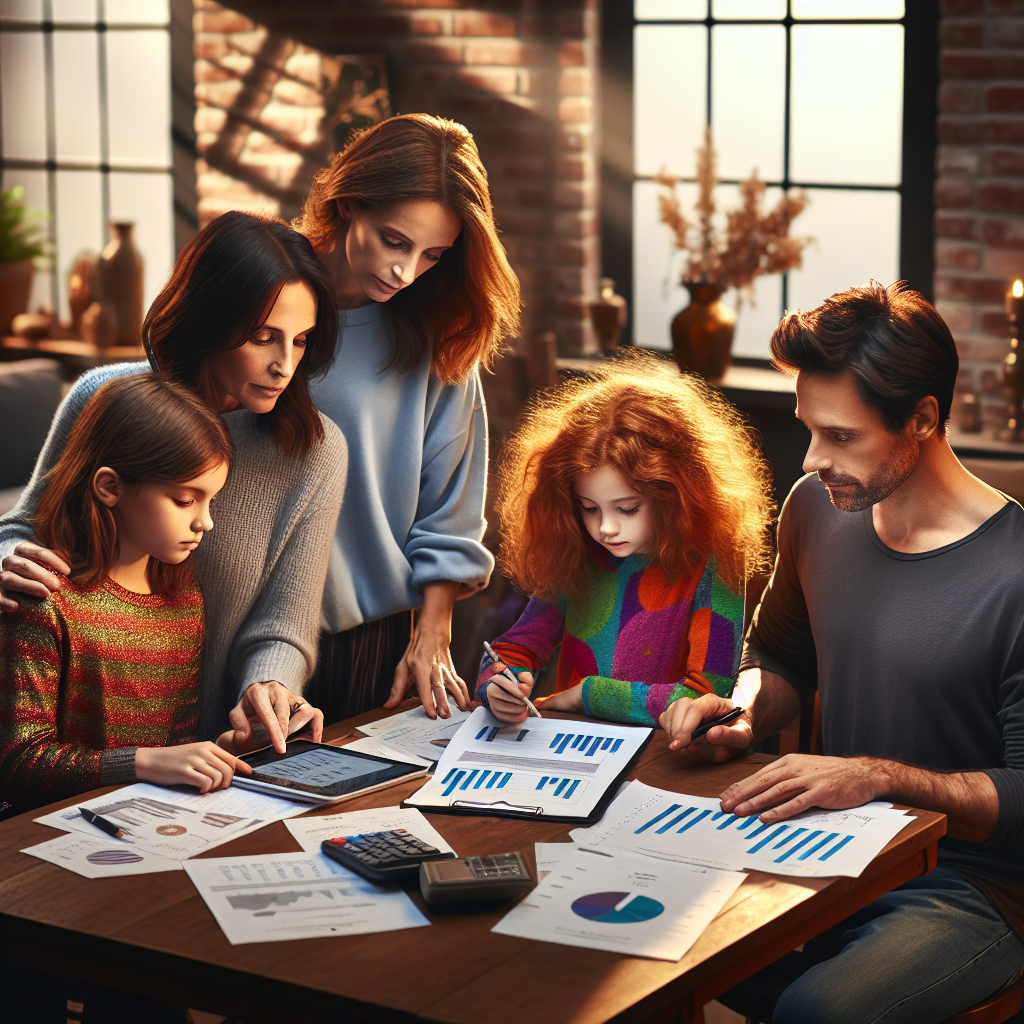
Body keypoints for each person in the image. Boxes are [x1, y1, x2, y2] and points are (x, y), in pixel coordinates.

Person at [663, 282, 1024, 1024]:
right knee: (629, 939)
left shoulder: (1015, 574)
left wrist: (877, 777)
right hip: (825, 852)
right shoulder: (815, 511)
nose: (812, 458)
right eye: (809, 428)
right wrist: (745, 709)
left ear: (923, 419)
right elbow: (781, 655)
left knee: (818, 1013)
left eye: (842, 436)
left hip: (973, 890)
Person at [0, 212, 348, 754]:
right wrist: (5, 556)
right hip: (71, 756)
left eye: (300, 340)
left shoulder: (316, 449)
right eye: (262, 337)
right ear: (210, 321)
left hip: (218, 758)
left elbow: (286, 617)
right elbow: (26, 526)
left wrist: (272, 684)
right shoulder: (103, 396)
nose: (284, 365)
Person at [295, 112, 521, 723]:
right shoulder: (269, 296)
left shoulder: (437, 334)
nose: (405, 271)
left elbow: (451, 505)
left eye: (432, 254)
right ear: (348, 201)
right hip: (231, 625)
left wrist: (433, 632)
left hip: (372, 641)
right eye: (395, 240)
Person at [472, 355, 774, 727]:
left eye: (627, 509)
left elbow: (705, 696)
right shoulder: (579, 553)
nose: (605, 529)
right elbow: (512, 648)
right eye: (588, 508)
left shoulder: (714, 564)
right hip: (572, 751)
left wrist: (587, 695)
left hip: (663, 760)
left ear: (675, 494)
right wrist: (499, 684)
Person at [0, 374, 254, 810]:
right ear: (110, 487)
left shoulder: (183, 597)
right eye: (184, 500)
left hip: (147, 824)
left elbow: (175, 745)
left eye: (210, 500)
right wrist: (141, 764)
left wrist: (225, 749)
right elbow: (19, 765)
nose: (205, 522)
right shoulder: (43, 597)